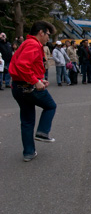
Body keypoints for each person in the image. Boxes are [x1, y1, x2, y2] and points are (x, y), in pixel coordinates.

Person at [9, 21, 57, 162]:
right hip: (28, 87)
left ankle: (29, 152)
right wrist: (35, 81)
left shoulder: (26, 43)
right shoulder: (33, 44)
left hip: (18, 87)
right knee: (50, 106)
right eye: (48, 34)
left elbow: (23, 66)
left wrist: (39, 79)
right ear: (41, 32)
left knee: (27, 120)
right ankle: (42, 132)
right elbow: (22, 65)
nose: (48, 38)